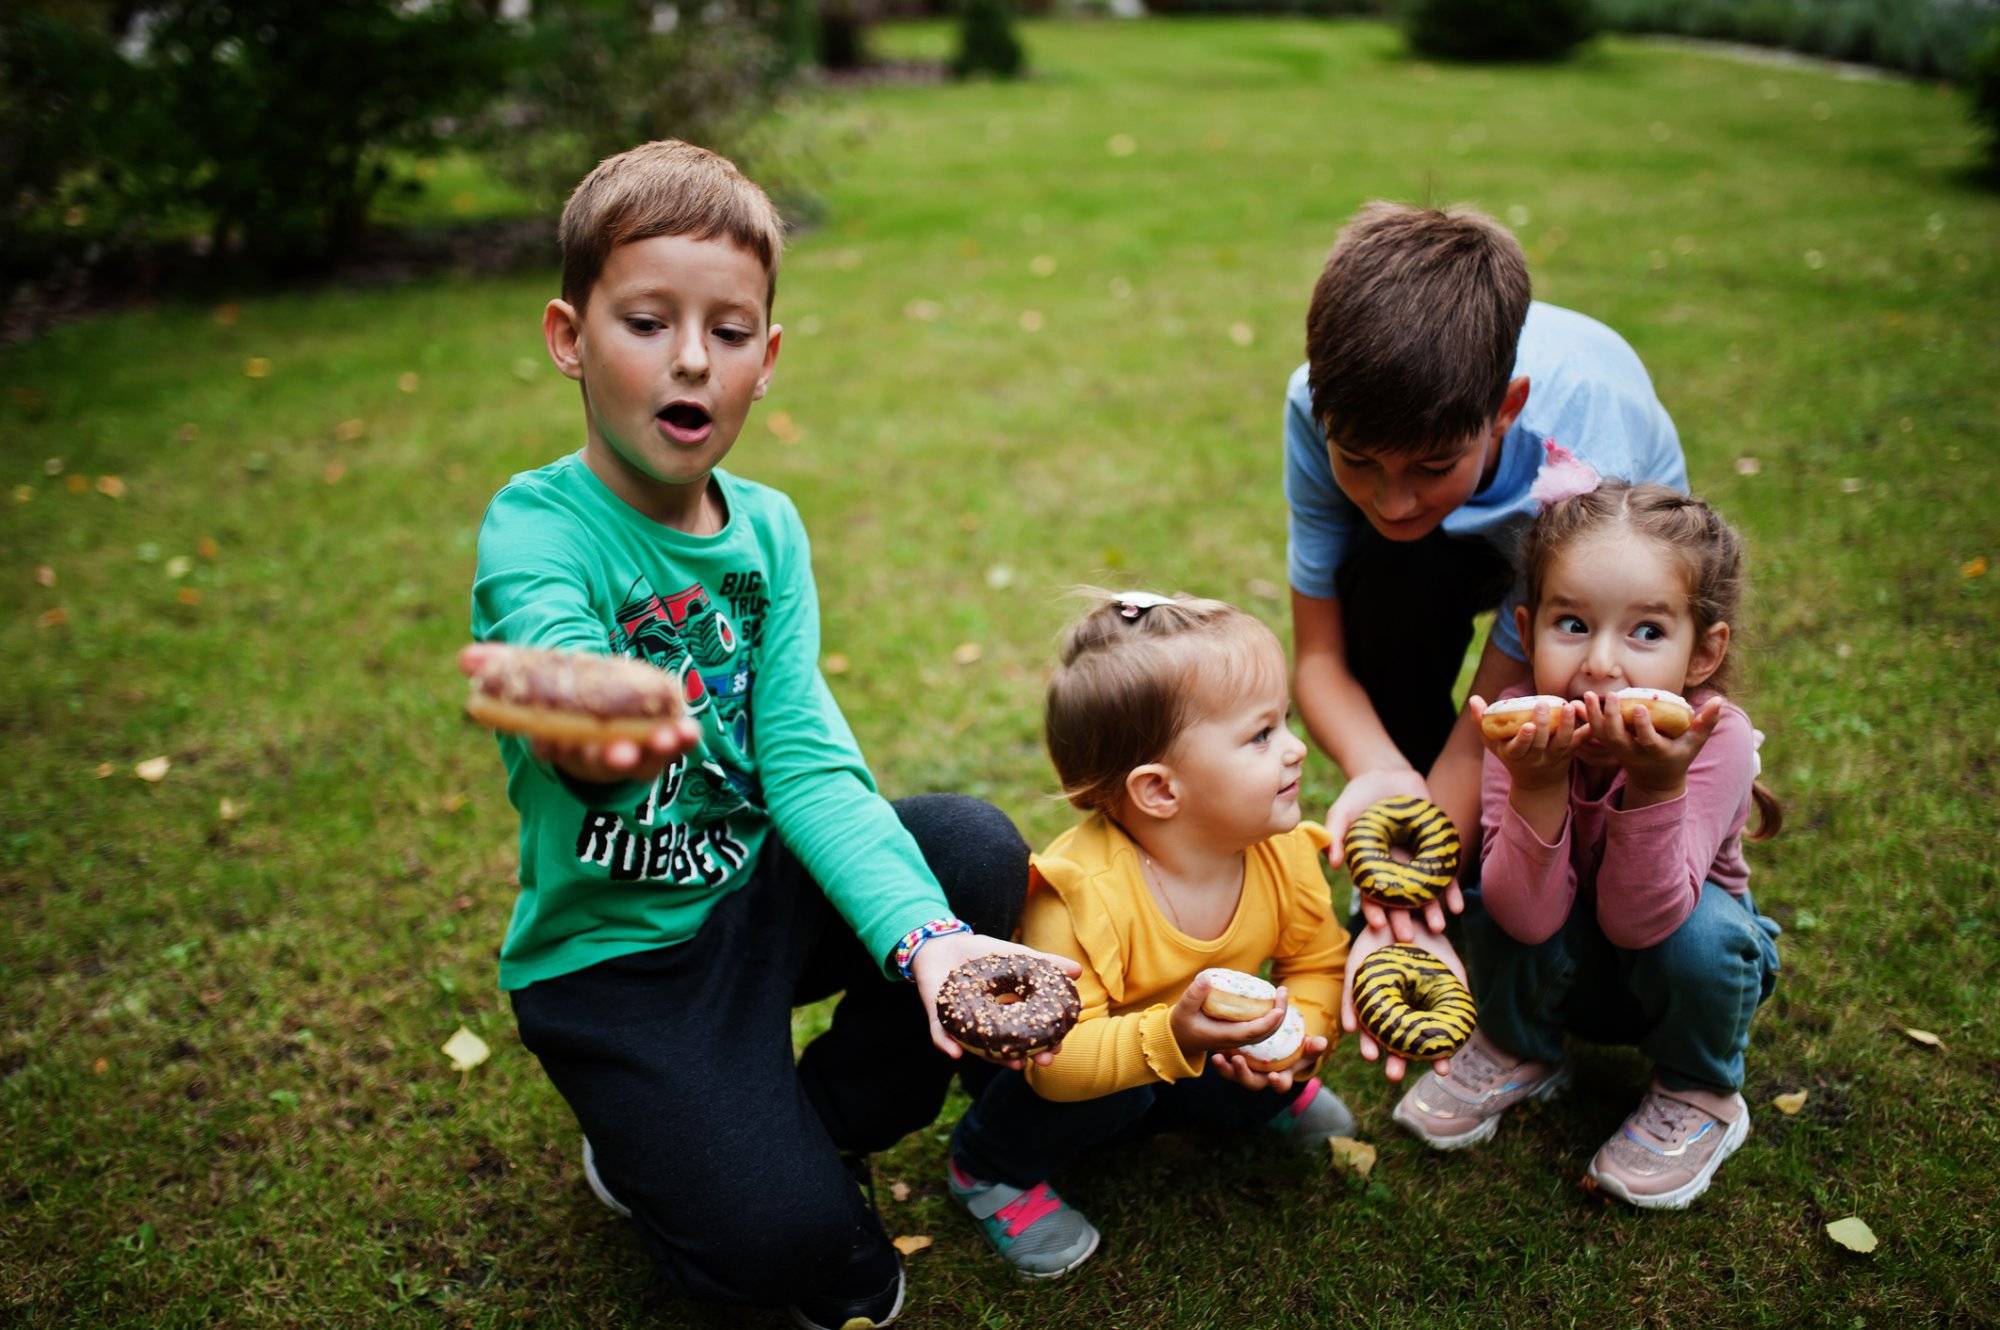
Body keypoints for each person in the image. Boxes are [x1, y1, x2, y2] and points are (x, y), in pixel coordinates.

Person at [462, 138, 1075, 1329]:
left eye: (728, 331)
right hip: (618, 969)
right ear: (568, 337)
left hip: (753, 896)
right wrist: (592, 724)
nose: (691, 356)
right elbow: (552, 671)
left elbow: (802, 761)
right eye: (647, 320)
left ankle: (790, 1127)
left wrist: (930, 946)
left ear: (766, 358)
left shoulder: (771, 533)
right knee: (818, 1267)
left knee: (970, 851)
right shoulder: (536, 528)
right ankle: (669, 1147)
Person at [1282, 202, 1688, 969]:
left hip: (1595, 559)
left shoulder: (1587, 441)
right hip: (1462, 539)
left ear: (1506, 410)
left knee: (1570, 698)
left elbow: (1500, 709)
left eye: (1430, 466)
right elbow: (1318, 658)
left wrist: (1409, 883)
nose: (1392, 498)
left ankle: (1502, 862)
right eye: (1358, 461)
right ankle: (1442, 838)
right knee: (1378, 574)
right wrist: (1381, 770)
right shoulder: (1316, 403)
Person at [1392, 462, 1783, 1210]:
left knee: (1703, 935)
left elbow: (1647, 920)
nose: (1601, 664)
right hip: (1568, 966)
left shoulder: (1712, 740)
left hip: (1671, 968)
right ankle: (1520, 1044)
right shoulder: (1520, 721)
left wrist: (1656, 785)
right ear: (1526, 627)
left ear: (1702, 653)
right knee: (1496, 882)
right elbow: (1524, 917)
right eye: (1572, 624)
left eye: (1645, 632)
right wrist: (1537, 786)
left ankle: (1700, 1091)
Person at [946, 592, 1356, 1277]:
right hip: (1076, 1070)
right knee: (1115, 1090)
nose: (1296, 749)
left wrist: (1296, 1038)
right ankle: (989, 1168)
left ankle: (1256, 1093)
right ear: (1161, 791)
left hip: (1189, 1047)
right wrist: (1174, 1038)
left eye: (1282, 723)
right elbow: (1060, 1061)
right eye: (1261, 736)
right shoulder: (1080, 895)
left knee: (1249, 1044)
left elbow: (1317, 962)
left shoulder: (1278, 850)